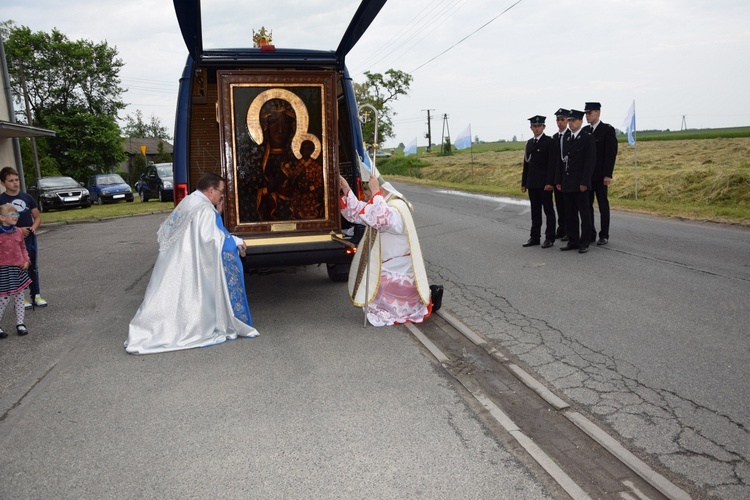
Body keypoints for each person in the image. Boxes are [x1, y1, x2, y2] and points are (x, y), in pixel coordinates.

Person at [125, 172, 258, 354]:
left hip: (172, 263)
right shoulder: (203, 209)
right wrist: (235, 241)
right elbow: (211, 241)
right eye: (221, 191)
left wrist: (217, 214)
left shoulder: (189, 201)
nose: (222, 196)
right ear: (211, 190)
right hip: (188, 265)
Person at [338, 173, 442, 327]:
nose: (366, 198)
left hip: (398, 263)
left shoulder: (397, 207)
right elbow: (359, 213)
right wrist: (346, 189)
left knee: (381, 288)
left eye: (368, 193)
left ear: (380, 189)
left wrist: (375, 193)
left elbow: (382, 220)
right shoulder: (381, 203)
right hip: (387, 261)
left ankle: (428, 298)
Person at [0, 167, 47, 309]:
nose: (15, 183)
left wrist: (32, 228)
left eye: (17, 180)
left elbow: (37, 216)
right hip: (10, 240)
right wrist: (18, 230)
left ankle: (36, 295)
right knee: (16, 268)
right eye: (11, 181)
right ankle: (21, 298)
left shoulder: (27, 198)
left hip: (29, 237)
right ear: (3, 183)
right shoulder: (1, 200)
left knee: (32, 265)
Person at [556, 109, 595, 254]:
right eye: (569, 121)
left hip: (580, 184)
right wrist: (559, 180)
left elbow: (589, 162)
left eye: (573, 121)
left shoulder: (587, 138)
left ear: (581, 121)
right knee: (570, 214)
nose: (570, 123)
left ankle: (584, 241)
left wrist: (585, 182)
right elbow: (562, 162)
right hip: (567, 182)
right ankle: (573, 240)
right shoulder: (566, 138)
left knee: (584, 214)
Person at [583, 102, 618, 246]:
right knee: (587, 205)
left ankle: (604, 235)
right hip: (587, 176)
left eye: (589, 113)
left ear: (598, 113)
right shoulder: (585, 130)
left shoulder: (607, 130)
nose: (587, 116)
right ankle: (590, 233)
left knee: (603, 205)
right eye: (586, 113)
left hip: (601, 175)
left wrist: (608, 175)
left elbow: (610, 154)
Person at [521, 115, 557, 248]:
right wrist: (524, 183)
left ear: (544, 127)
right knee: (535, 211)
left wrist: (550, 182)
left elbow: (552, 164)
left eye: (539, 126)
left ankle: (550, 237)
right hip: (532, 183)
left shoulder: (549, 142)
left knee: (548, 210)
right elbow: (526, 164)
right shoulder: (529, 143)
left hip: (544, 183)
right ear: (531, 128)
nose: (537, 128)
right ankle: (534, 237)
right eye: (534, 126)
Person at [0, 203, 32, 338]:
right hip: (3, 270)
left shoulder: (18, 231)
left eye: (16, 214)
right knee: (4, 298)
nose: (15, 216)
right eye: (11, 214)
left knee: (19, 297)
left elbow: (23, 247)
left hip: (18, 268)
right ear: (1, 217)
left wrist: (26, 260)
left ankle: (20, 323)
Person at [552, 108, 571, 241]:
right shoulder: (554, 138)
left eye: (562, 120)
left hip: (569, 176)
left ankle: (569, 231)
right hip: (557, 176)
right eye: (558, 120)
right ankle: (561, 229)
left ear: (567, 121)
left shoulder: (571, 135)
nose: (560, 123)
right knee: (559, 204)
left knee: (568, 205)